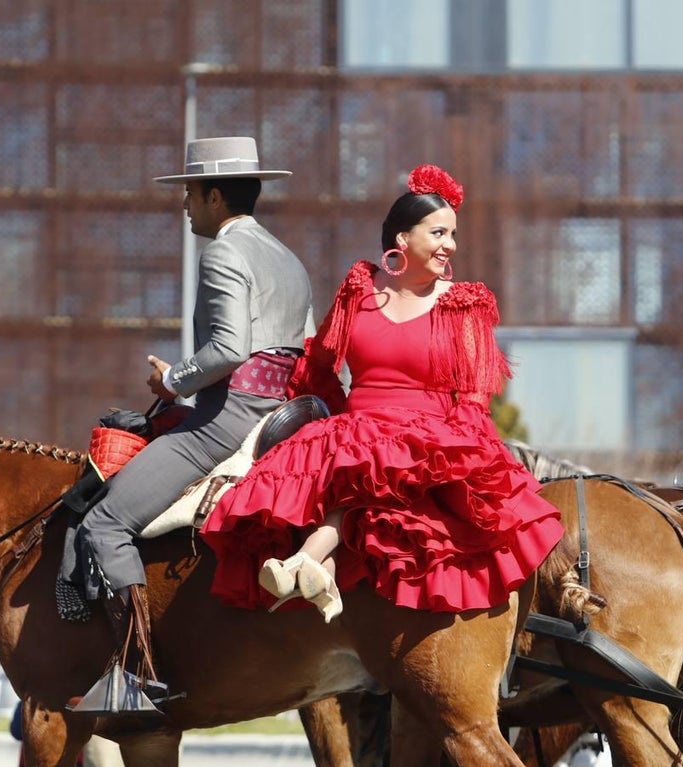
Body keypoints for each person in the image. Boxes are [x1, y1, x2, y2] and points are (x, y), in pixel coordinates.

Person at [201, 164, 564, 622]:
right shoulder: (358, 290)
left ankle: (313, 560)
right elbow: (319, 366)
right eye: (438, 232)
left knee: (376, 462)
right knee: (354, 459)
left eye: (452, 235)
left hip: (427, 438)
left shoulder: (465, 305)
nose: (449, 245)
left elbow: (472, 400)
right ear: (402, 238)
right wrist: (321, 426)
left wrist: (456, 456)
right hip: (356, 431)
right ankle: (319, 570)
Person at [70, 136, 314, 713]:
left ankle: (137, 676)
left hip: (226, 418)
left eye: (188, 194)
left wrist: (171, 380)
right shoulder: (288, 257)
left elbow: (228, 349)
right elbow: (302, 348)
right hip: (282, 414)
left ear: (211, 196)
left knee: (104, 523)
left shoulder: (223, 254)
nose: (184, 206)